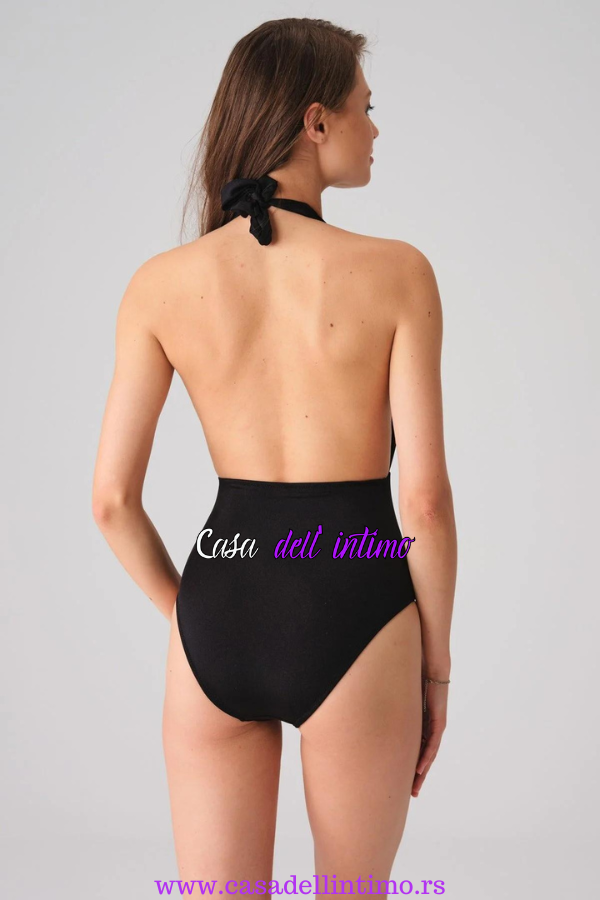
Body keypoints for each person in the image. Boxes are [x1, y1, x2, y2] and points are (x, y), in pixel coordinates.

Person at [92, 16, 457, 893]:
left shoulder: (159, 284)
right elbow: (425, 504)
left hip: (222, 598)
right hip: (357, 599)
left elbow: (111, 501)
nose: (377, 128)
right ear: (316, 121)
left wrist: (193, 617)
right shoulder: (398, 272)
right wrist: (435, 668)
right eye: (367, 107)